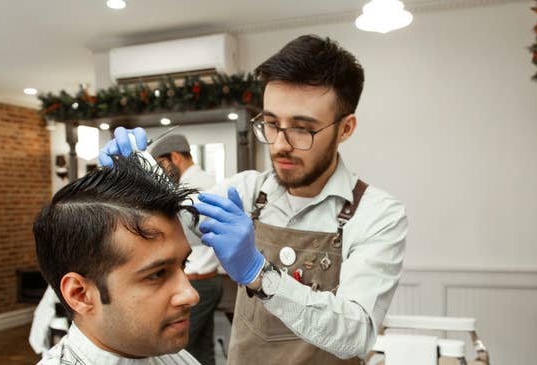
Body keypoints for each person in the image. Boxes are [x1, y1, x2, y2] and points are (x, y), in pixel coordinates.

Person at [100, 34, 407, 365]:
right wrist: (128, 181)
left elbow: (356, 334)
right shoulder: (246, 193)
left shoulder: (376, 214)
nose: (279, 145)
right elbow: (168, 224)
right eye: (272, 124)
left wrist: (259, 272)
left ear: (345, 128)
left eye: (302, 129)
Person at [33, 154, 202, 365]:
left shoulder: (171, 356)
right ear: (80, 294)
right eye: (156, 274)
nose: (191, 295)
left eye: (183, 264)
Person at [150, 134, 222, 365]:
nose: (161, 173)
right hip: (207, 280)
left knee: (177, 354)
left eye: (161, 165)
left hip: (197, 281)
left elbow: (177, 237)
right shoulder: (209, 180)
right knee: (202, 351)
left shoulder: (194, 188)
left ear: (175, 157)